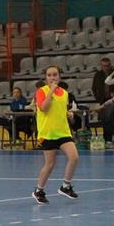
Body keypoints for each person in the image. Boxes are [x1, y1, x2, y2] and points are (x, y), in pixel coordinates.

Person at [32, 65, 80, 204]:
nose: (52, 77)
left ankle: (65, 186)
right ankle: (39, 190)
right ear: (46, 78)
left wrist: (68, 114)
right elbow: (44, 108)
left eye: (55, 74)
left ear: (59, 76)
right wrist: (51, 91)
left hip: (63, 132)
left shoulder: (64, 93)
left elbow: (59, 110)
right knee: (50, 164)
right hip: (48, 133)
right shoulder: (41, 91)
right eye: (49, 75)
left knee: (74, 157)